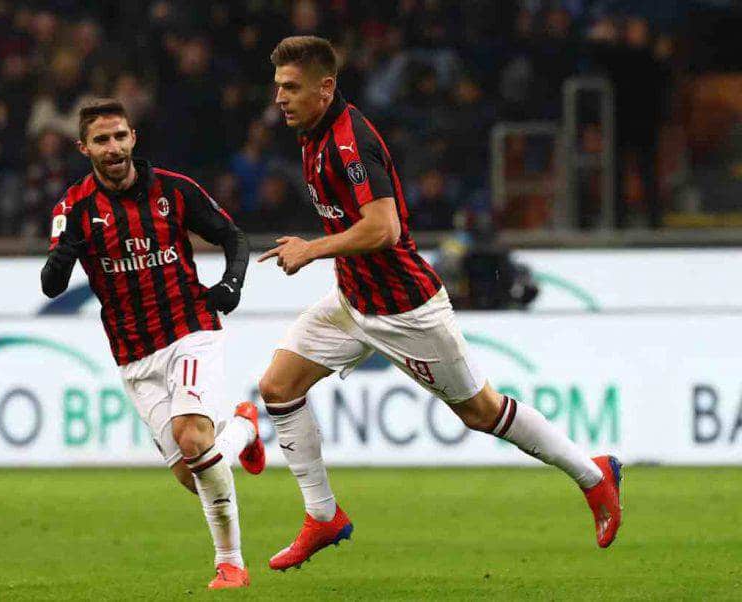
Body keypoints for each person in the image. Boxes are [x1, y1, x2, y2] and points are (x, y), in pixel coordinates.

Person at [256, 36, 623, 571]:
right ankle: (324, 516)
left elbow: (385, 227)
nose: (279, 99)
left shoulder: (348, 142)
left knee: (481, 411)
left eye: (290, 88)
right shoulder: (310, 135)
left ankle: (595, 476)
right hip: (353, 301)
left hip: (406, 310)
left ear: (326, 87)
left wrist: (313, 249)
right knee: (277, 387)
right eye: (277, 87)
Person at [39, 99, 264, 589]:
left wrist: (232, 285)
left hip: (190, 328)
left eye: (120, 136)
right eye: (102, 140)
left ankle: (231, 564)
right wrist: (69, 246)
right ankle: (242, 432)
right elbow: (51, 285)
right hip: (134, 354)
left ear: (133, 137)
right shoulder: (72, 208)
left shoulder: (173, 190)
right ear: (85, 148)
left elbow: (234, 237)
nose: (114, 147)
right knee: (194, 472)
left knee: (192, 438)